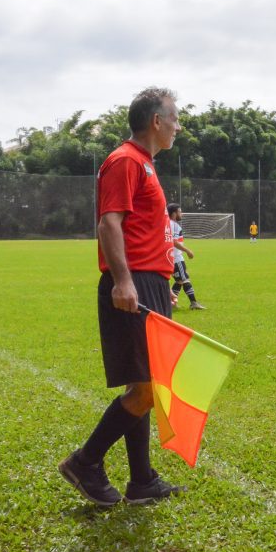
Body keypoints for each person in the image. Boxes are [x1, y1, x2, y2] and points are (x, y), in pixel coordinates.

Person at [59, 87, 184, 507]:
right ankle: (85, 461)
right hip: (131, 282)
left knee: (143, 383)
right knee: (147, 389)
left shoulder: (145, 164)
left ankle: (142, 481)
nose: (177, 126)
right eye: (174, 118)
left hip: (148, 281)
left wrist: (160, 281)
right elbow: (109, 225)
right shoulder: (125, 161)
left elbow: (143, 232)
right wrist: (124, 281)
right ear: (155, 121)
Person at [167, 203, 205, 310]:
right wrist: (188, 250)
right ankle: (193, 303)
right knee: (185, 279)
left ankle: (171, 304)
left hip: (171, 257)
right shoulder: (173, 225)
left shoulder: (167, 223)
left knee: (179, 280)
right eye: (179, 211)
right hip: (176, 257)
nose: (181, 214)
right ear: (174, 213)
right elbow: (174, 241)